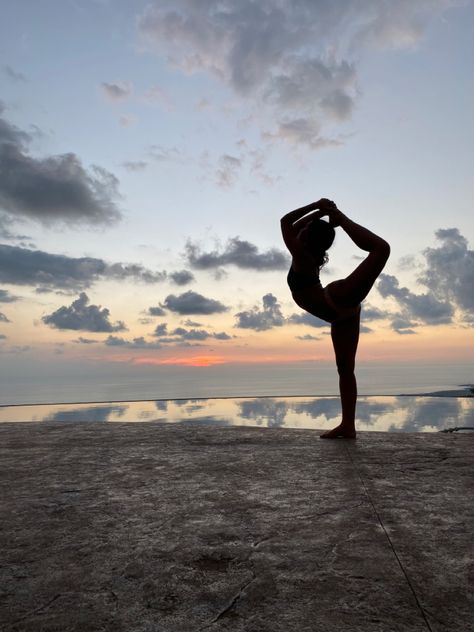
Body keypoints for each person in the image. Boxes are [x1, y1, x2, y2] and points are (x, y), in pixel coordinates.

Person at [280, 198, 390, 439]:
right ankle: (348, 425)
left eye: (306, 230)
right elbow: (296, 226)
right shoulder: (304, 248)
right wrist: (320, 213)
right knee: (345, 369)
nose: (303, 228)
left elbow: (286, 221)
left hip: (336, 300)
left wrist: (318, 206)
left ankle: (343, 221)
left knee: (382, 249)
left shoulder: (301, 254)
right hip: (342, 316)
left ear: (307, 238)